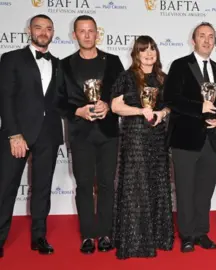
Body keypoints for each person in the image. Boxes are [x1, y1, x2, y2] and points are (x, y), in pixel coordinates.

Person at [56, 15, 124, 254]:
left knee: (107, 185)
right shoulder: (63, 65)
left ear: (98, 33)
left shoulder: (113, 62)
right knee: (84, 186)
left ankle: (105, 233)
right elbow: (58, 101)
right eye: (81, 31)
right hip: (80, 134)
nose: (86, 35)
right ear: (74, 35)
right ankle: (87, 235)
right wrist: (78, 111)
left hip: (108, 134)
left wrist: (108, 104)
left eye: (91, 31)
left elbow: (123, 93)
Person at [0, 14, 63, 258]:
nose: (44, 32)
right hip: (18, 134)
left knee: (42, 188)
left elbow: (62, 101)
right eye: (39, 28)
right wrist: (14, 133)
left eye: (48, 29)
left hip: (48, 134)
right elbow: (5, 98)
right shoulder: (12, 58)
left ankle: (39, 237)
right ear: (29, 30)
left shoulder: (58, 64)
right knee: (6, 187)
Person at [164, 22, 216, 253]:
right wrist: (199, 108)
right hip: (185, 140)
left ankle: (202, 232)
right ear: (193, 40)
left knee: (205, 190)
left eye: (211, 36)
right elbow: (171, 98)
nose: (207, 40)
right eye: (202, 36)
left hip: (211, 141)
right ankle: (187, 234)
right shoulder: (180, 65)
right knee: (185, 190)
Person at [110, 36, 174, 259]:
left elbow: (169, 106)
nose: (149, 54)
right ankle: (135, 240)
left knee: (156, 183)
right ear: (136, 54)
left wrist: (160, 113)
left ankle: (158, 236)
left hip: (157, 138)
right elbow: (116, 107)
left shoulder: (163, 78)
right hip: (135, 138)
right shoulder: (126, 77)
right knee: (136, 186)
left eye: (152, 49)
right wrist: (141, 111)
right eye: (143, 50)